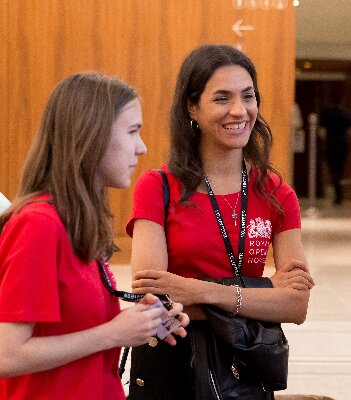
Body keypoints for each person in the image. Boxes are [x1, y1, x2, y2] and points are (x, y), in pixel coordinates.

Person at [126, 44, 315, 399]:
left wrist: (200, 291)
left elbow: (296, 305)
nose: (239, 110)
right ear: (192, 107)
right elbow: (155, 301)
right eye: (222, 98)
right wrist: (263, 292)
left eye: (248, 96)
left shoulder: (277, 193)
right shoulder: (158, 187)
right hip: (172, 366)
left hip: (245, 367)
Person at [0, 72, 189, 400]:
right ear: (92, 136)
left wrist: (139, 324)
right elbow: (7, 354)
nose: (142, 148)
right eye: (132, 132)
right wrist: (112, 333)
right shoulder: (39, 225)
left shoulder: (75, 221)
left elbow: (69, 330)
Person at [319, 89, 351, 204]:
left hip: (331, 144)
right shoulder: (346, 113)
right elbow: (349, 131)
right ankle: (340, 195)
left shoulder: (327, 112)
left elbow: (323, 132)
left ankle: (338, 195)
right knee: (340, 169)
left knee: (333, 169)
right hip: (342, 144)